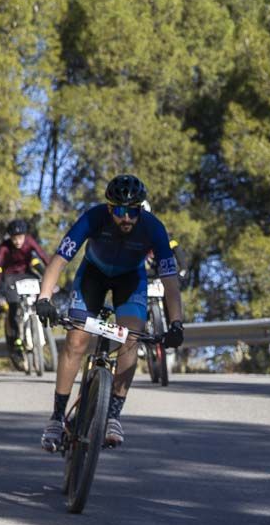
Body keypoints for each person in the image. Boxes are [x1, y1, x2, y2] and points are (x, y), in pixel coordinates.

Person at [33, 174, 185, 449]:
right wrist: (44, 297)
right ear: (108, 208)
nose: (126, 218)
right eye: (119, 210)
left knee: (132, 337)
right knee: (76, 340)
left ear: (141, 209)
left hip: (130, 280)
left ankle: (113, 414)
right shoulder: (92, 218)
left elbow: (170, 283)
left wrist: (176, 323)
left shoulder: (154, 228)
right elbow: (59, 260)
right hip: (93, 276)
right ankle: (57, 418)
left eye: (133, 211)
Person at [0, 219, 49, 367]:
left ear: (25, 236)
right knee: (14, 305)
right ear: (10, 237)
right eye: (14, 238)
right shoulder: (5, 247)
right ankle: (16, 338)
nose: (17, 241)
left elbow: (42, 255)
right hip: (10, 277)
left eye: (20, 238)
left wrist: (51, 271)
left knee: (42, 291)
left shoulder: (30, 241)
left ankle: (40, 326)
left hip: (27, 274)